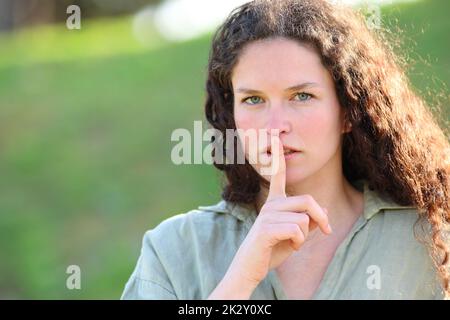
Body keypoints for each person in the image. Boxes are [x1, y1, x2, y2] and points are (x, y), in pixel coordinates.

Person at [121, 0, 450, 299]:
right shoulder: (174, 250)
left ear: (348, 111)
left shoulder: (425, 240)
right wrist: (242, 277)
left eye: (302, 96)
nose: (275, 125)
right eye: (253, 100)